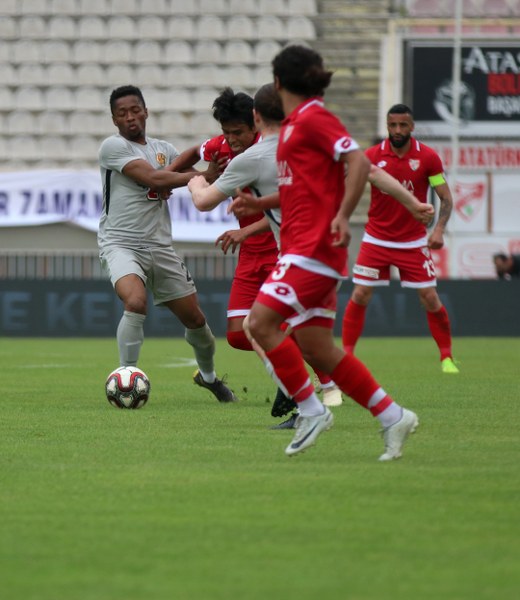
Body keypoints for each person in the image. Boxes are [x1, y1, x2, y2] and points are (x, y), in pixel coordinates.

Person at [246, 45, 420, 460]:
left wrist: (343, 215)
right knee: (318, 348)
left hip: (313, 248)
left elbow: (358, 162)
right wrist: (260, 205)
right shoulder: (293, 126)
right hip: (306, 246)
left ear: (277, 81)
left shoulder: (312, 118)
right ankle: (393, 416)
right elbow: (303, 188)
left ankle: (310, 409)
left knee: (259, 324)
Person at [97, 85, 237, 403]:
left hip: (160, 247)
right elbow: (156, 179)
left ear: (145, 111)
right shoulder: (112, 147)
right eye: (122, 113)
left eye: (135, 110)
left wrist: (213, 174)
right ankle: (126, 376)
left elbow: (186, 174)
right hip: (121, 243)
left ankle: (209, 377)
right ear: (114, 120)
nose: (130, 117)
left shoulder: (163, 150)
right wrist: (203, 174)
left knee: (196, 321)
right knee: (134, 301)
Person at [342, 103, 460, 375]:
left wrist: (439, 229)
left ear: (412, 126)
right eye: (392, 125)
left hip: (413, 242)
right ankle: (347, 355)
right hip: (376, 239)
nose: (397, 130)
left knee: (429, 297)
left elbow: (445, 197)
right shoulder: (371, 156)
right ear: (387, 126)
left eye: (402, 125)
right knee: (360, 293)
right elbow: (349, 184)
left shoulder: (428, 158)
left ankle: (446, 357)